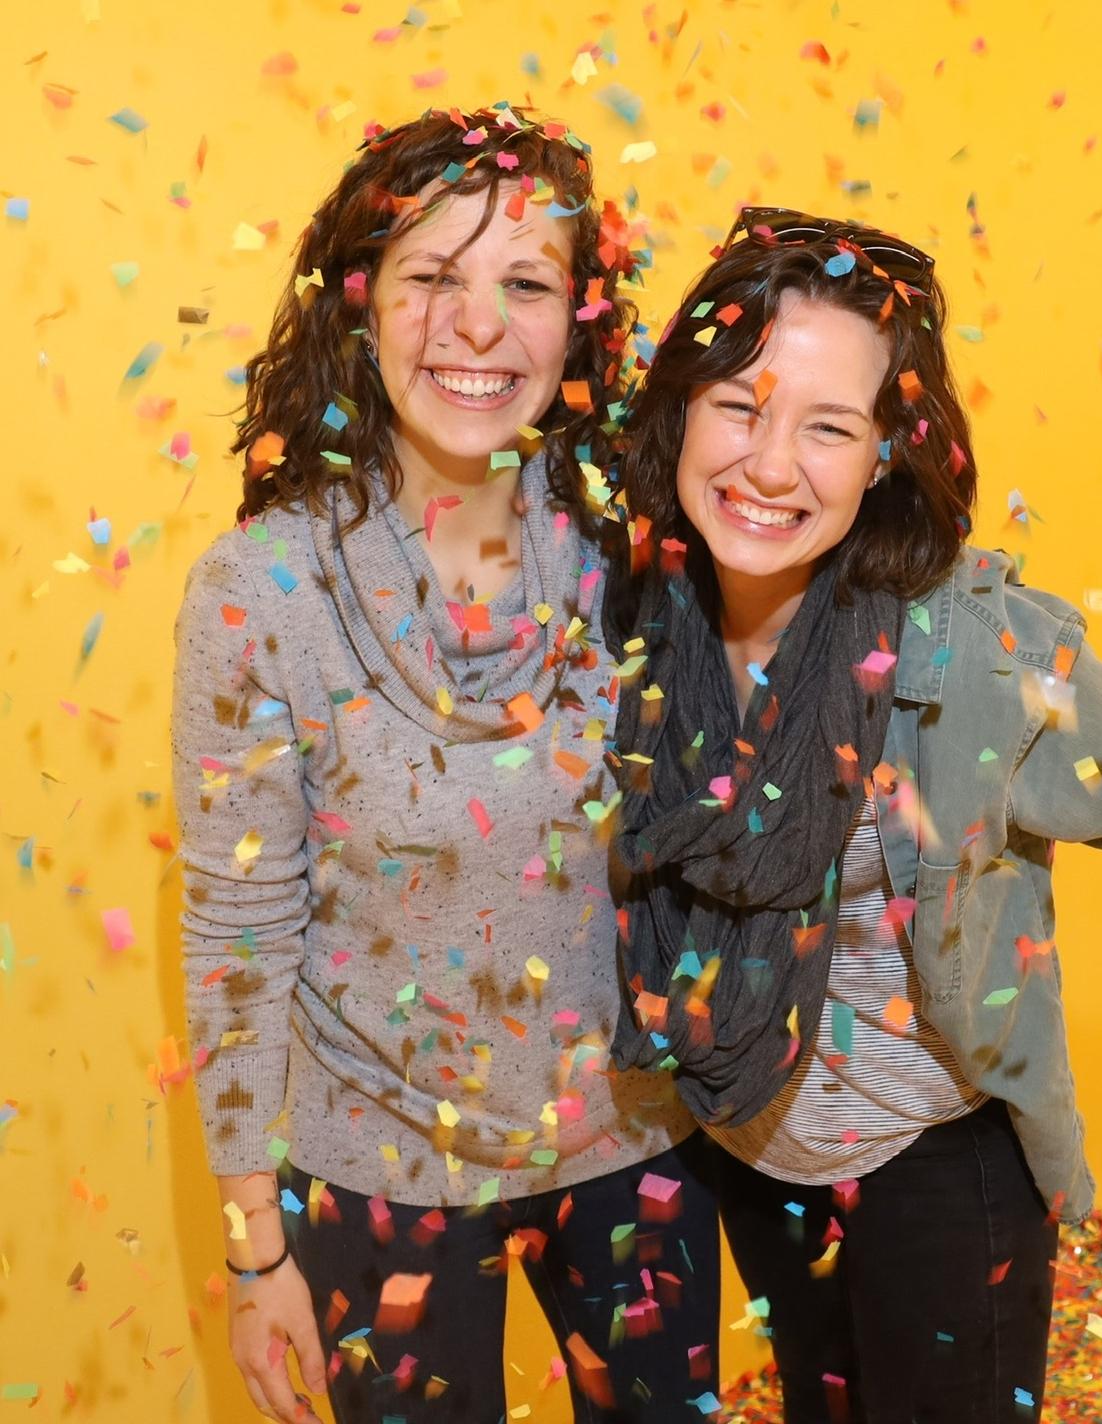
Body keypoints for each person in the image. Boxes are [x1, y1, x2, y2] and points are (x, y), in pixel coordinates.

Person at [601, 206, 1102, 1423]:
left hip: (936, 1170)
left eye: (827, 426)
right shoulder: (624, 614)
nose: (768, 465)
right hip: (746, 1141)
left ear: (884, 454)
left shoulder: (973, 651)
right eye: (739, 405)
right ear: (681, 411)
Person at [172, 105, 720, 1424]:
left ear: (578, 323)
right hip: (375, 1170)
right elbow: (239, 928)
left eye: (524, 283)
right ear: (360, 303)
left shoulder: (644, 547)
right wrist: (254, 1251)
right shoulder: (260, 591)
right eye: (430, 275)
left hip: (637, 1147)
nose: (476, 327)